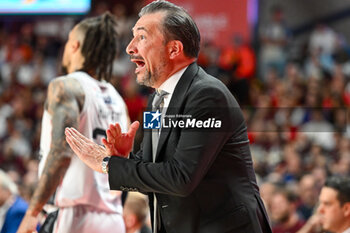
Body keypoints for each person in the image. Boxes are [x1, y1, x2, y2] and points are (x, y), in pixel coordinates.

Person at [65, 1, 272, 232]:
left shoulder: (207, 96)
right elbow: (156, 175)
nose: (130, 48)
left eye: (141, 37)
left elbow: (181, 177)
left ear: (174, 49)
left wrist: (107, 164)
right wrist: (126, 160)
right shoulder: (157, 100)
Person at [17, 12, 128, 233]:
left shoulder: (66, 86)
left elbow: (61, 153)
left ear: (75, 45)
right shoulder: (117, 98)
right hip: (113, 217)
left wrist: (32, 212)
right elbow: (125, 163)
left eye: (68, 41)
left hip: (74, 214)